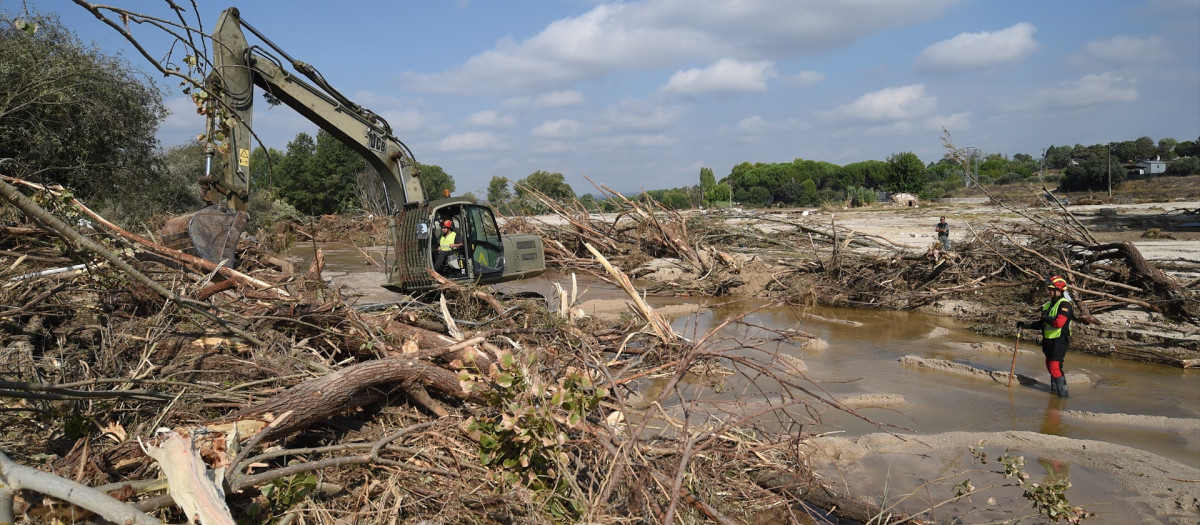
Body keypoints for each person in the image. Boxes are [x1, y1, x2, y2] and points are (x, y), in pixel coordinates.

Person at [1016, 276, 1074, 397]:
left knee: (1054, 367)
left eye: (1050, 289)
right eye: (1047, 289)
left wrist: (1046, 318)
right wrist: (1025, 325)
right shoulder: (1048, 305)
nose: (1047, 291)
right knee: (1049, 366)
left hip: (1060, 340)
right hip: (1048, 341)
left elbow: (1059, 323)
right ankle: (1053, 393)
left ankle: (1063, 398)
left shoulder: (1065, 305)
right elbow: (1041, 323)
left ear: (1058, 290)